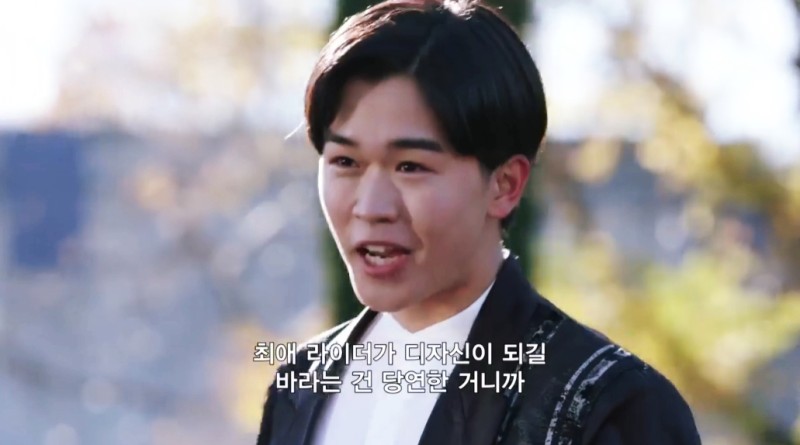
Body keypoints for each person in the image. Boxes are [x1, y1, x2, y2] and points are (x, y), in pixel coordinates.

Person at [256, 0, 702, 443]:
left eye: (410, 167)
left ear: (505, 185)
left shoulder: (608, 405)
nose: (371, 206)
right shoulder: (301, 384)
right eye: (345, 162)